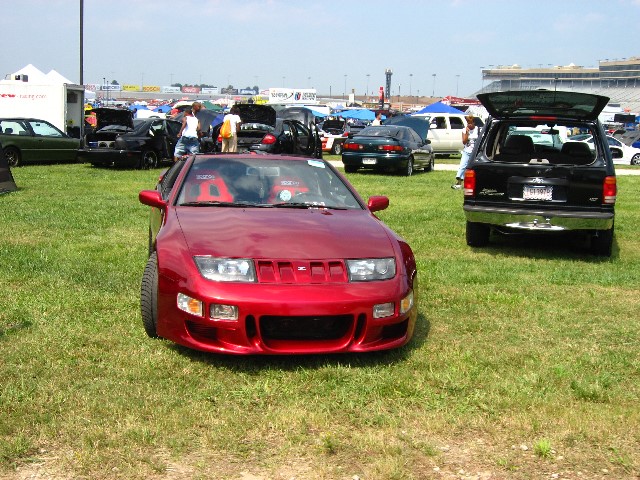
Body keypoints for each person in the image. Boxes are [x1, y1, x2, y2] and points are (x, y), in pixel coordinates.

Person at [452, 114, 480, 189]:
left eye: (471, 123)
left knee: (473, 168)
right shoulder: (464, 130)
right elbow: (464, 142)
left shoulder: (478, 129)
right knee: (462, 166)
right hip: (466, 151)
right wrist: (467, 133)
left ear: (474, 123)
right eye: (468, 123)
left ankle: (474, 184)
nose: (469, 125)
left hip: (475, 152)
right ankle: (458, 183)